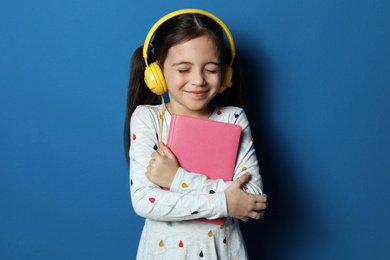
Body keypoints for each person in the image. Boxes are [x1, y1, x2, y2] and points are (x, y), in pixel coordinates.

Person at [123, 9, 268, 259]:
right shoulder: (147, 118)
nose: (198, 80)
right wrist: (225, 202)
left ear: (225, 74)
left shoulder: (234, 118)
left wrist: (177, 179)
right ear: (156, 73)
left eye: (211, 69)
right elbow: (145, 201)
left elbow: (251, 199)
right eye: (183, 69)